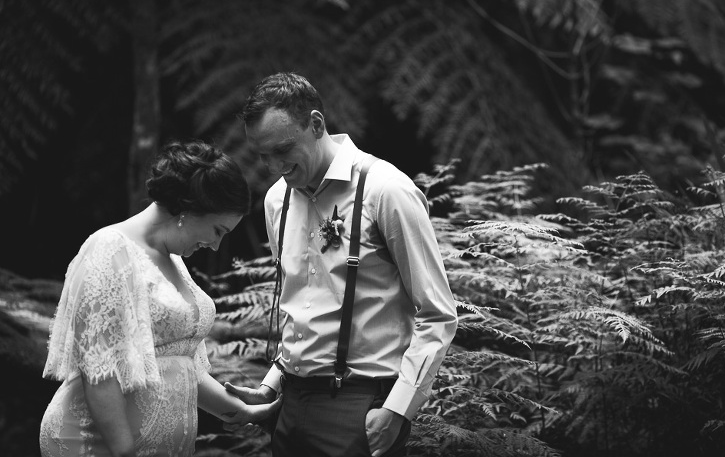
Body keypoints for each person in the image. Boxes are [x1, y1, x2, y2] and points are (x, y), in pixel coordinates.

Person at [224, 72, 458, 457]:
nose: (273, 166)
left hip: (361, 406)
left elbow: (437, 314)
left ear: (316, 124)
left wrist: (398, 409)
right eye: (262, 155)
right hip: (289, 405)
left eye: (283, 150)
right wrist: (271, 384)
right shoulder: (275, 201)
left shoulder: (386, 190)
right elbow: (301, 306)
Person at [39, 139, 282, 457]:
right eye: (218, 230)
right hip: (95, 444)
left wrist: (240, 409)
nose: (215, 245)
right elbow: (98, 370)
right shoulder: (108, 250)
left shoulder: (176, 261)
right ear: (189, 209)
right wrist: (124, 451)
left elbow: (184, 367)